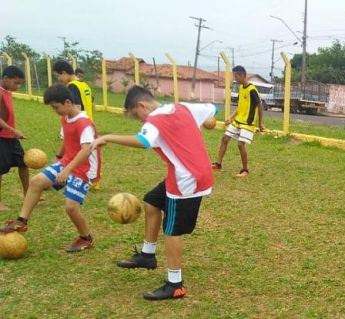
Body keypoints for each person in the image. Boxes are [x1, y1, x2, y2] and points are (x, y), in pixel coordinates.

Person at [90, 86, 215, 301]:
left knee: (172, 230)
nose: (140, 122)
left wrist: (108, 137)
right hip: (189, 172)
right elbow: (213, 108)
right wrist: (206, 121)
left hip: (186, 179)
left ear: (142, 105)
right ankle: (148, 255)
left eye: (137, 116)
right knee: (151, 202)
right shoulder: (182, 107)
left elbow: (144, 141)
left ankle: (175, 284)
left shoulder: (154, 121)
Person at [0, 84, 99, 253]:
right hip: (66, 162)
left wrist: (66, 170)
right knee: (37, 181)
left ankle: (86, 238)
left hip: (83, 169)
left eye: (56, 107)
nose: (55, 111)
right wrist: (59, 159)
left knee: (70, 207)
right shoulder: (66, 117)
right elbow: (67, 140)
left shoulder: (84, 123)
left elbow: (86, 150)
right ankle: (21, 221)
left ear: (68, 102)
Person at [53, 60, 102, 189]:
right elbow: (91, 102)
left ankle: (79, 178)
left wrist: (71, 122)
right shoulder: (84, 85)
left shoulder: (72, 86)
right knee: (88, 153)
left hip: (79, 124)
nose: (59, 79)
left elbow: (76, 106)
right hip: (87, 122)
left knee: (78, 151)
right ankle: (90, 180)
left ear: (64, 73)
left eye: (58, 75)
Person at [212, 65, 264, 177]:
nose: (235, 79)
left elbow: (260, 106)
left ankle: (245, 170)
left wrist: (260, 123)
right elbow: (240, 106)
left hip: (248, 123)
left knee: (240, 145)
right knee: (224, 138)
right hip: (238, 121)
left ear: (242, 75)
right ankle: (218, 164)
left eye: (236, 76)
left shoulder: (252, 90)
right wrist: (230, 116)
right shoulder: (241, 88)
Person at [0, 66, 29, 211]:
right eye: (16, 83)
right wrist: (13, 130)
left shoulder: (7, 92)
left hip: (11, 137)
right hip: (2, 137)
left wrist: (13, 132)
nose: (17, 86)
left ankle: (28, 194)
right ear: (6, 79)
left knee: (23, 163)